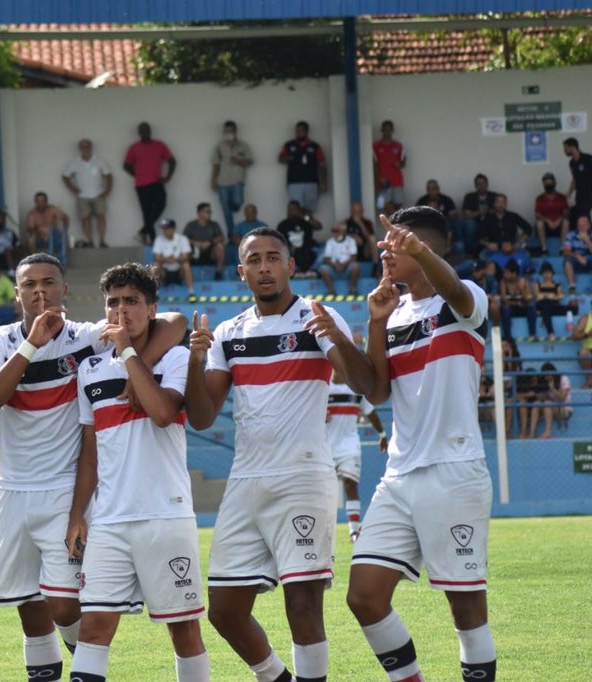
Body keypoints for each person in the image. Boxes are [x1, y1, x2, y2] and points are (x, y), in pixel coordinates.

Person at [0, 253, 186, 681]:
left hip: (65, 487)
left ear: (65, 291)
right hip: (13, 489)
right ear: (17, 294)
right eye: (29, 283)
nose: (39, 291)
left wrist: (132, 370)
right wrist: (31, 345)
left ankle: (86, 658)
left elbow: (175, 322)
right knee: (30, 609)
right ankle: (76, 667)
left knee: (65, 604)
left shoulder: (90, 338)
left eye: (49, 282)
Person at [185, 226, 373, 682]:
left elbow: (364, 383)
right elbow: (203, 416)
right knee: (225, 612)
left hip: (302, 476)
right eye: (254, 259)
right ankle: (277, 677)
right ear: (241, 271)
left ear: (290, 266)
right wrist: (193, 362)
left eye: (273, 257)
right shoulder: (230, 332)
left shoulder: (317, 316)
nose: (264, 267)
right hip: (246, 480)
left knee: (303, 606)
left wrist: (339, 338)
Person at [350, 206, 496, 682]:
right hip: (399, 475)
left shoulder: (465, 297)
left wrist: (418, 251)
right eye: (386, 245)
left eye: (394, 244)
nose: (384, 252)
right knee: (364, 596)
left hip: (453, 471)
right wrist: (374, 324)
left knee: (466, 606)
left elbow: (452, 288)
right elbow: (376, 391)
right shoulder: (394, 313)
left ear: (424, 246)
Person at [66, 263, 210, 682]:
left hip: (164, 514)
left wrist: (129, 354)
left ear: (151, 311)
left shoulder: (177, 356)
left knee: (183, 628)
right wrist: (79, 513)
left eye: (132, 302)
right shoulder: (89, 370)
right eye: (113, 302)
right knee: (93, 627)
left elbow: (164, 412)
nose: (121, 310)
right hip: (109, 520)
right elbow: (90, 452)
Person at [327, 372, 388, 542]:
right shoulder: (323, 388)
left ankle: (353, 532)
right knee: (323, 491)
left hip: (349, 446)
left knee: (350, 485)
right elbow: (307, 411)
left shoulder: (355, 389)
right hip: (325, 447)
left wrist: (382, 434)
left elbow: (370, 412)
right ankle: (322, 530)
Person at [124, 122, 176, 245]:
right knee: (146, 212)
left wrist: (168, 177)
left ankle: (143, 230)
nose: (144, 132)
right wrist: (137, 174)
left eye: (146, 130)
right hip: (141, 185)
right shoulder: (134, 147)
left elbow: (172, 161)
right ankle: (152, 239)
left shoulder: (160, 145)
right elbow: (126, 165)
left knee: (161, 205)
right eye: (142, 130)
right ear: (139, 133)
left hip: (157, 182)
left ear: (150, 131)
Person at [62, 138, 113, 248]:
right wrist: (73, 188)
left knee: (101, 216)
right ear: (80, 149)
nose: (85, 149)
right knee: (85, 218)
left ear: (91, 148)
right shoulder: (75, 163)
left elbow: (109, 175)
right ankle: (90, 241)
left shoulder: (99, 161)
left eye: (87, 146)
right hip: (82, 196)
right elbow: (65, 176)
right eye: (83, 147)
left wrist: (107, 190)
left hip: (98, 194)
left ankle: (102, 241)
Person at [211, 121, 254, 239]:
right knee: (226, 212)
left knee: (237, 202)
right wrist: (213, 180)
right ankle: (231, 235)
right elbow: (216, 164)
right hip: (222, 182)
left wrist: (239, 161)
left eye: (230, 130)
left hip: (237, 181)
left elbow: (250, 161)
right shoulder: (220, 146)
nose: (228, 133)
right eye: (226, 131)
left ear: (235, 131)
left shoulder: (243, 145)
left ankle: (231, 204)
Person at [278, 121, 327, 215]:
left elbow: (322, 164)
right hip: (294, 182)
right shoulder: (289, 145)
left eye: (301, 130)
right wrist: (289, 157)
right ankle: (298, 228)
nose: (298, 133)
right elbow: (280, 159)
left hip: (311, 182)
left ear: (306, 131)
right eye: (297, 131)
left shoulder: (315, 146)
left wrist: (323, 183)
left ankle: (307, 228)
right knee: (295, 208)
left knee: (309, 209)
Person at [533, 261, 578, 340]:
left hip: (553, 306)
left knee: (572, 309)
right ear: (541, 274)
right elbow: (538, 297)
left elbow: (560, 297)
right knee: (545, 306)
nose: (547, 275)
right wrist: (550, 296)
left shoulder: (557, 285)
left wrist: (546, 296)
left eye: (548, 273)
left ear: (552, 273)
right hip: (541, 305)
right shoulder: (538, 284)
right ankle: (551, 333)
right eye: (545, 273)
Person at [562, 215, 592, 295]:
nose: (581, 228)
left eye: (584, 225)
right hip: (576, 259)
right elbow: (565, 251)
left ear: (589, 225)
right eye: (579, 226)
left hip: (590, 259)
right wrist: (577, 256)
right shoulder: (571, 235)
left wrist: (587, 240)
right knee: (567, 260)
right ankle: (572, 287)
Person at [458, 174, 498, 258]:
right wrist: (481, 212)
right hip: (475, 222)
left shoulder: (494, 196)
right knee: (469, 223)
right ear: (475, 185)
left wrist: (488, 213)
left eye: (483, 183)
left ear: (487, 184)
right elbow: (467, 214)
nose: (481, 185)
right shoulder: (469, 196)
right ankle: (470, 252)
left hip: (490, 222)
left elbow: (499, 211)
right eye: (478, 183)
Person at [183, 203, 226, 280]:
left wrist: (209, 242)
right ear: (199, 213)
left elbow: (221, 237)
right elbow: (183, 239)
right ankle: (184, 273)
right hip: (195, 253)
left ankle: (218, 272)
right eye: (207, 212)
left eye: (210, 212)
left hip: (210, 253)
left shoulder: (214, 224)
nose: (210, 214)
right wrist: (195, 243)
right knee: (184, 248)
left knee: (220, 246)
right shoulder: (191, 225)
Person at [276, 201, 320, 275]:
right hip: (290, 250)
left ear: (299, 210)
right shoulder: (283, 224)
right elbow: (279, 241)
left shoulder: (306, 221)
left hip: (306, 249)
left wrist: (303, 216)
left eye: (294, 209)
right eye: (289, 209)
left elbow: (318, 226)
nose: (291, 211)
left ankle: (306, 272)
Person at [564, 136, 592, 221]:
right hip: (579, 194)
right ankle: (589, 233)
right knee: (582, 215)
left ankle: (591, 233)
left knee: (584, 215)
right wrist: (569, 192)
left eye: (566, 148)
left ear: (572, 147)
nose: (565, 151)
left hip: (590, 193)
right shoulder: (572, 163)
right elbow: (574, 180)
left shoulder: (588, 158)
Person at [152, 219, 195, 296]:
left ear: (173, 229)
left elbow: (187, 256)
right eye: (164, 228)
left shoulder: (182, 239)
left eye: (167, 228)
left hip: (179, 271)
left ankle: (191, 292)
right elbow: (157, 257)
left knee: (186, 265)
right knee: (156, 265)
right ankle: (155, 293)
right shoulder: (159, 239)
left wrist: (176, 259)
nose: (165, 230)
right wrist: (166, 259)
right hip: (165, 273)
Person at [26, 192, 70, 266]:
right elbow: (30, 230)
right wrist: (40, 230)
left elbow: (65, 218)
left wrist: (61, 229)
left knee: (64, 236)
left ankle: (63, 262)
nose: (41, 203)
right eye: (38, 201)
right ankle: (36, 262)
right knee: (31, 239)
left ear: (46, 201)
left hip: (54, 235)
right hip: (40, 237)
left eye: (42, 201)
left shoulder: (52, 209)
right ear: (35, 202)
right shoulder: (32, 214)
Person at [318, 222, 360, 296]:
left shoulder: (351, 241)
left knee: (355, 266)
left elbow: (354, 257)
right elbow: (327, 258)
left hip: (347, 268)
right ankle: (332, 291)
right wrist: (335, 265)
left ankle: (352, 290)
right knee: (323, 269)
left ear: (344, 231)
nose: (335, 233)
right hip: (333, 268)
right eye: (333, 230)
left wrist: (344, 265)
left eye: (337, 230)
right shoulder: (330, 242)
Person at [498, 260, 537, 339]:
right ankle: (507, 336)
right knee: (505, 308)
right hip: (511, 307)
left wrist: (522, 289)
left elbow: (528, 299)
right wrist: (515, 304)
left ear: (514, 274)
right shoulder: (503, 282)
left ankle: (532, 334)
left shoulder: (524, 281)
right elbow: (504, 299)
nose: (504, 275)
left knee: (532, 307)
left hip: (523, 306)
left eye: (506, 273)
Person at [534, 172, 570, 255]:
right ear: (543, 184)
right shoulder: (540, 198)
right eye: (546, 183)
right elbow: (538, 214)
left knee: (566, 222)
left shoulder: (561, 197)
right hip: (547, 226)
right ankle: (544, 249)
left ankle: (562, 248)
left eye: (550, 182)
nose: (548, 184)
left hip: (559, 225)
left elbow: (566, 212)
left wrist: (558, 220)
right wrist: (548, 221)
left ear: (554, 183)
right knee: (539, 223)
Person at [372, 120, 406, 209]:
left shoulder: (398, 145)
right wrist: (379, 177)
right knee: (384, 204)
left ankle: (395, 221)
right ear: (382, 130)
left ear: (392, 130)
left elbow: (403, 162)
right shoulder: (375, 146)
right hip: (383, 181)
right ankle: (395, 221)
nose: (387, 131)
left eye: (389, 129)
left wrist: (399, 164)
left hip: (397, 180)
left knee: (398, 204)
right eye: (385, 129)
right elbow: (373, 164)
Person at [534, 361, 572, 439]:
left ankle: (548, 432)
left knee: (547, 403)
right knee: (536, 404)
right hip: (549, 406)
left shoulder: (563, 379)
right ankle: (532, 434)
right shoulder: (543, 380)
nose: (546, 378)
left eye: (547, 375)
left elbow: (562, 398)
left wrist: (552, 388)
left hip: (564, 409)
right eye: (544, 376)